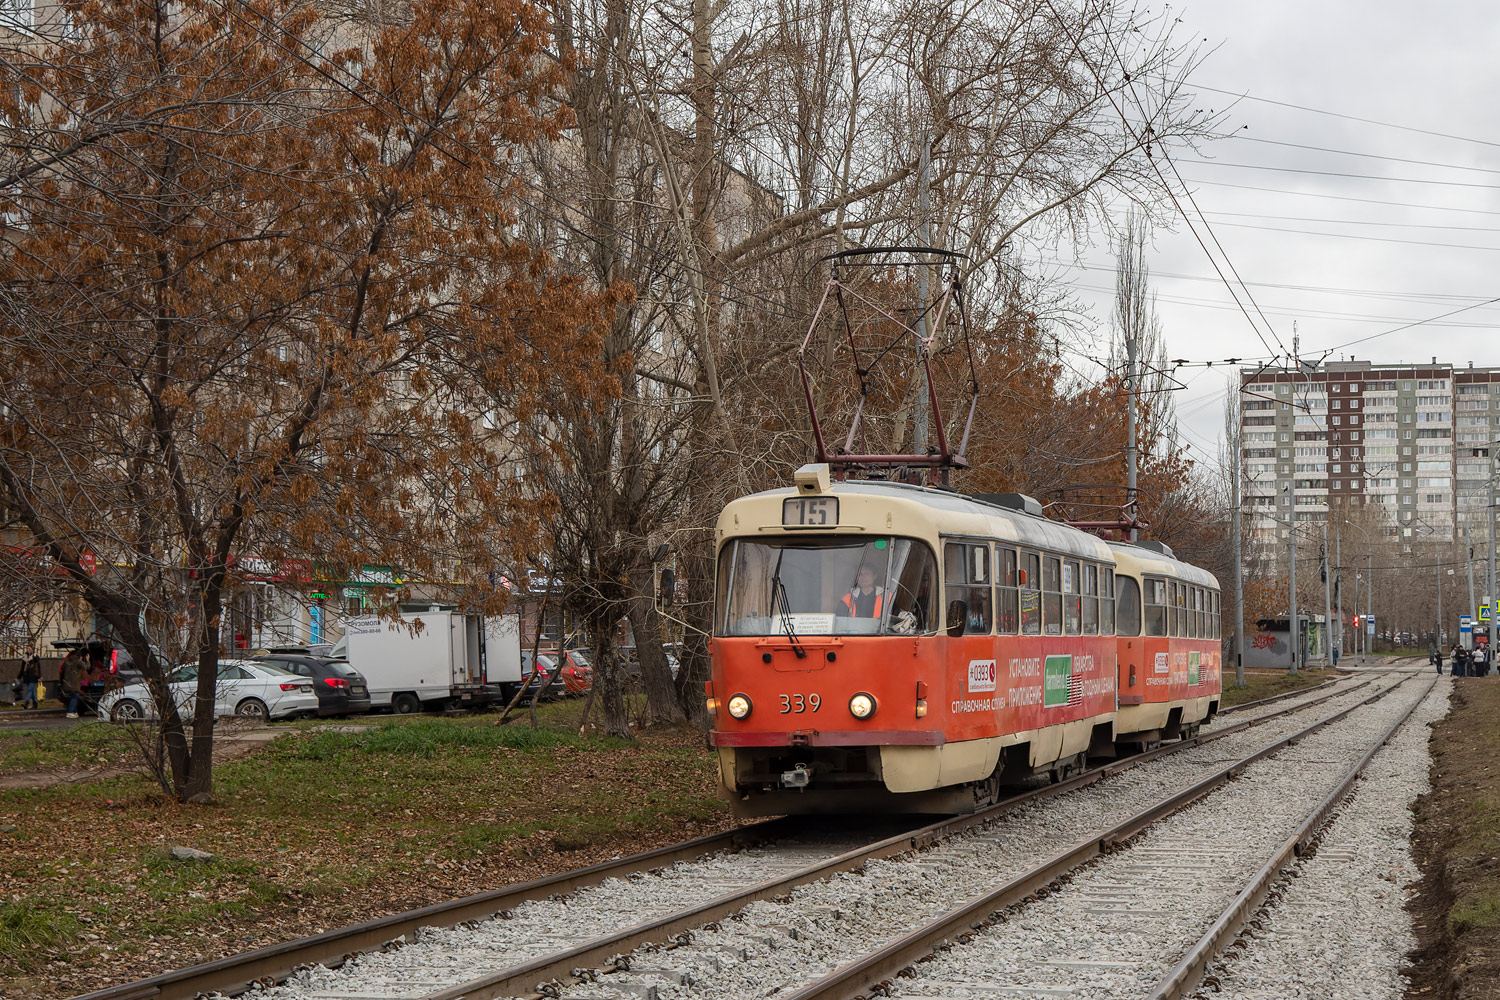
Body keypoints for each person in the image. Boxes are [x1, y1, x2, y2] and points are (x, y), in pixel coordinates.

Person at [60, 651, 83, 719]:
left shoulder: (66, 661)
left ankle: (74, 712)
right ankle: (70, 712)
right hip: (75, 683)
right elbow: (86, 667)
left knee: (73, 697)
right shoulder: (78, 661)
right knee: (75, 696)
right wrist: (87, 661)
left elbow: (62, 670)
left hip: (66, 683)